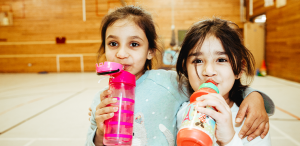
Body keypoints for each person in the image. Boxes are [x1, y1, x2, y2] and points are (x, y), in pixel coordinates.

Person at [86, 6, 274, 146]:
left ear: (151, 50)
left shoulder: (170, 83)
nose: (121, 54)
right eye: (198, 61)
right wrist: (100, 134)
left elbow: (218, 87)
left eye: (134, 44)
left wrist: (254, 96)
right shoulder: (102, 100)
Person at [176, 18, 272, 145]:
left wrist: (229, 140)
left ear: (240, 68)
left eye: (221, 60)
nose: (209, 71)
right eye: (198, 61)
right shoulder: (181, 111)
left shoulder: (252, 120)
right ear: (185, 69)